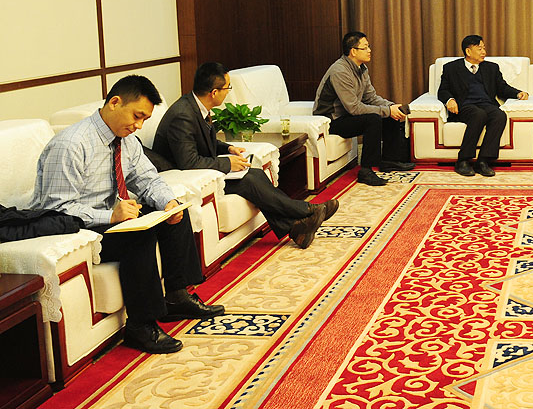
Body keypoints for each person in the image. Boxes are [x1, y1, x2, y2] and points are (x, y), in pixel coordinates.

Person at [32, 75, 224, 354]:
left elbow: (147, 180)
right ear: (114, 102)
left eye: (144, 119)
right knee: (138, 236)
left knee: (173, 213)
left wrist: (168, 202)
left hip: (112, 217)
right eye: (137, 116)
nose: (139, 126)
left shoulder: (126, 140)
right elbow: (56, 209)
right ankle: (140, 326)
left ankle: (177, 296)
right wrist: (110, 216)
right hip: (78, 227)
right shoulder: (71, 144)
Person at [153, 63, 338, 250]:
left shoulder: (197, 106)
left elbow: (204, 142)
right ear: (214, 92)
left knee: (255, 173)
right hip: (190, 177)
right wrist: (228, 163)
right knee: (249, 181)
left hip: (204, 169)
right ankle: (308, 210)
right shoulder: (182, 116)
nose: (228, 92)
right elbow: (188, 162)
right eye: (227, 88)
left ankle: (296, 228)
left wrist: (229, 148)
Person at [314, 31, 414, 187]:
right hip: (331, 120)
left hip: (346, 115)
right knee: (373, 119)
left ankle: (389, 160)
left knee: (388, 111)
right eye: (365, 47)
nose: (369, 50)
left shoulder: (362, 69)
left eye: (369, 47)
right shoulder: (340, 71)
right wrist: (387, 110)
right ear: (353, 51)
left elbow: (371, 97)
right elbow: (354, 108)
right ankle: (366, 170)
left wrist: (391, 107)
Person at [437, 35, 529, 178]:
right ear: (468, 51)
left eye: (484, 48)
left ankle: (483, 161)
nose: (484, 52)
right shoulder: (451, 68)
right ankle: (463, 160)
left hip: (486, 104)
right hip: (464, 105)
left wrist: (518, 93)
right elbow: (443, 90)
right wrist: (450, 100)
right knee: (478, 114)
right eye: (479, 49)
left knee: (499, 115)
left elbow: (502, 87)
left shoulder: (491, 68)